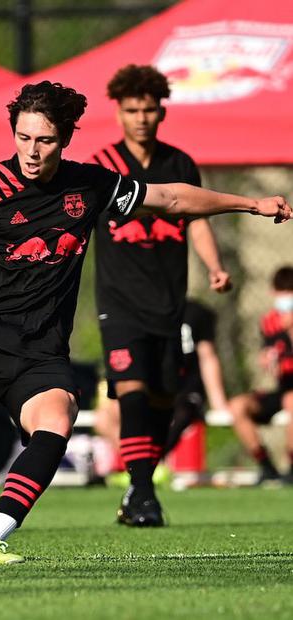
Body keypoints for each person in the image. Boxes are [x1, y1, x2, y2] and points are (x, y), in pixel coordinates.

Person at [0, 80, 290, 564]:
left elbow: (170, 199)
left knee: (56, 421)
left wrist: (250, 203)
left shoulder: (90, 183)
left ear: (64, 140)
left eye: (44, 140)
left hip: (41, 354)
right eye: (22, 137)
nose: (32, 151)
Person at [86, 65, 232, 526]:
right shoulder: (101, 165)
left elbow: (197, 218)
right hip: (119, 300)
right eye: (132, 110)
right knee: (131, 391)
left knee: (164, 397)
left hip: (169, 301)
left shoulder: (180, 164)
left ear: (161, 111)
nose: (141, 118)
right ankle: (145, 492)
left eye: (149, 109)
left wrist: (214, 267)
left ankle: (136, 490)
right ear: (119, 114)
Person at [95, 299, 228, 470]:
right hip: (151, 384)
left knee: (177, 412)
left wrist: (218, 402)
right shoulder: (139, 311)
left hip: (185, 390)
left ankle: (151, 465)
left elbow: (207, 357)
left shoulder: (196, 313)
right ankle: (137, 467)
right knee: (109, 416)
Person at [229, 266, 293, 485]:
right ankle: (267, 467)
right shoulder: (269, 321)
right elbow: (270, 353)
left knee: (291, 400)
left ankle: (291, 468)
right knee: (238, 406)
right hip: (283, 387)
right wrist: (267, 360)